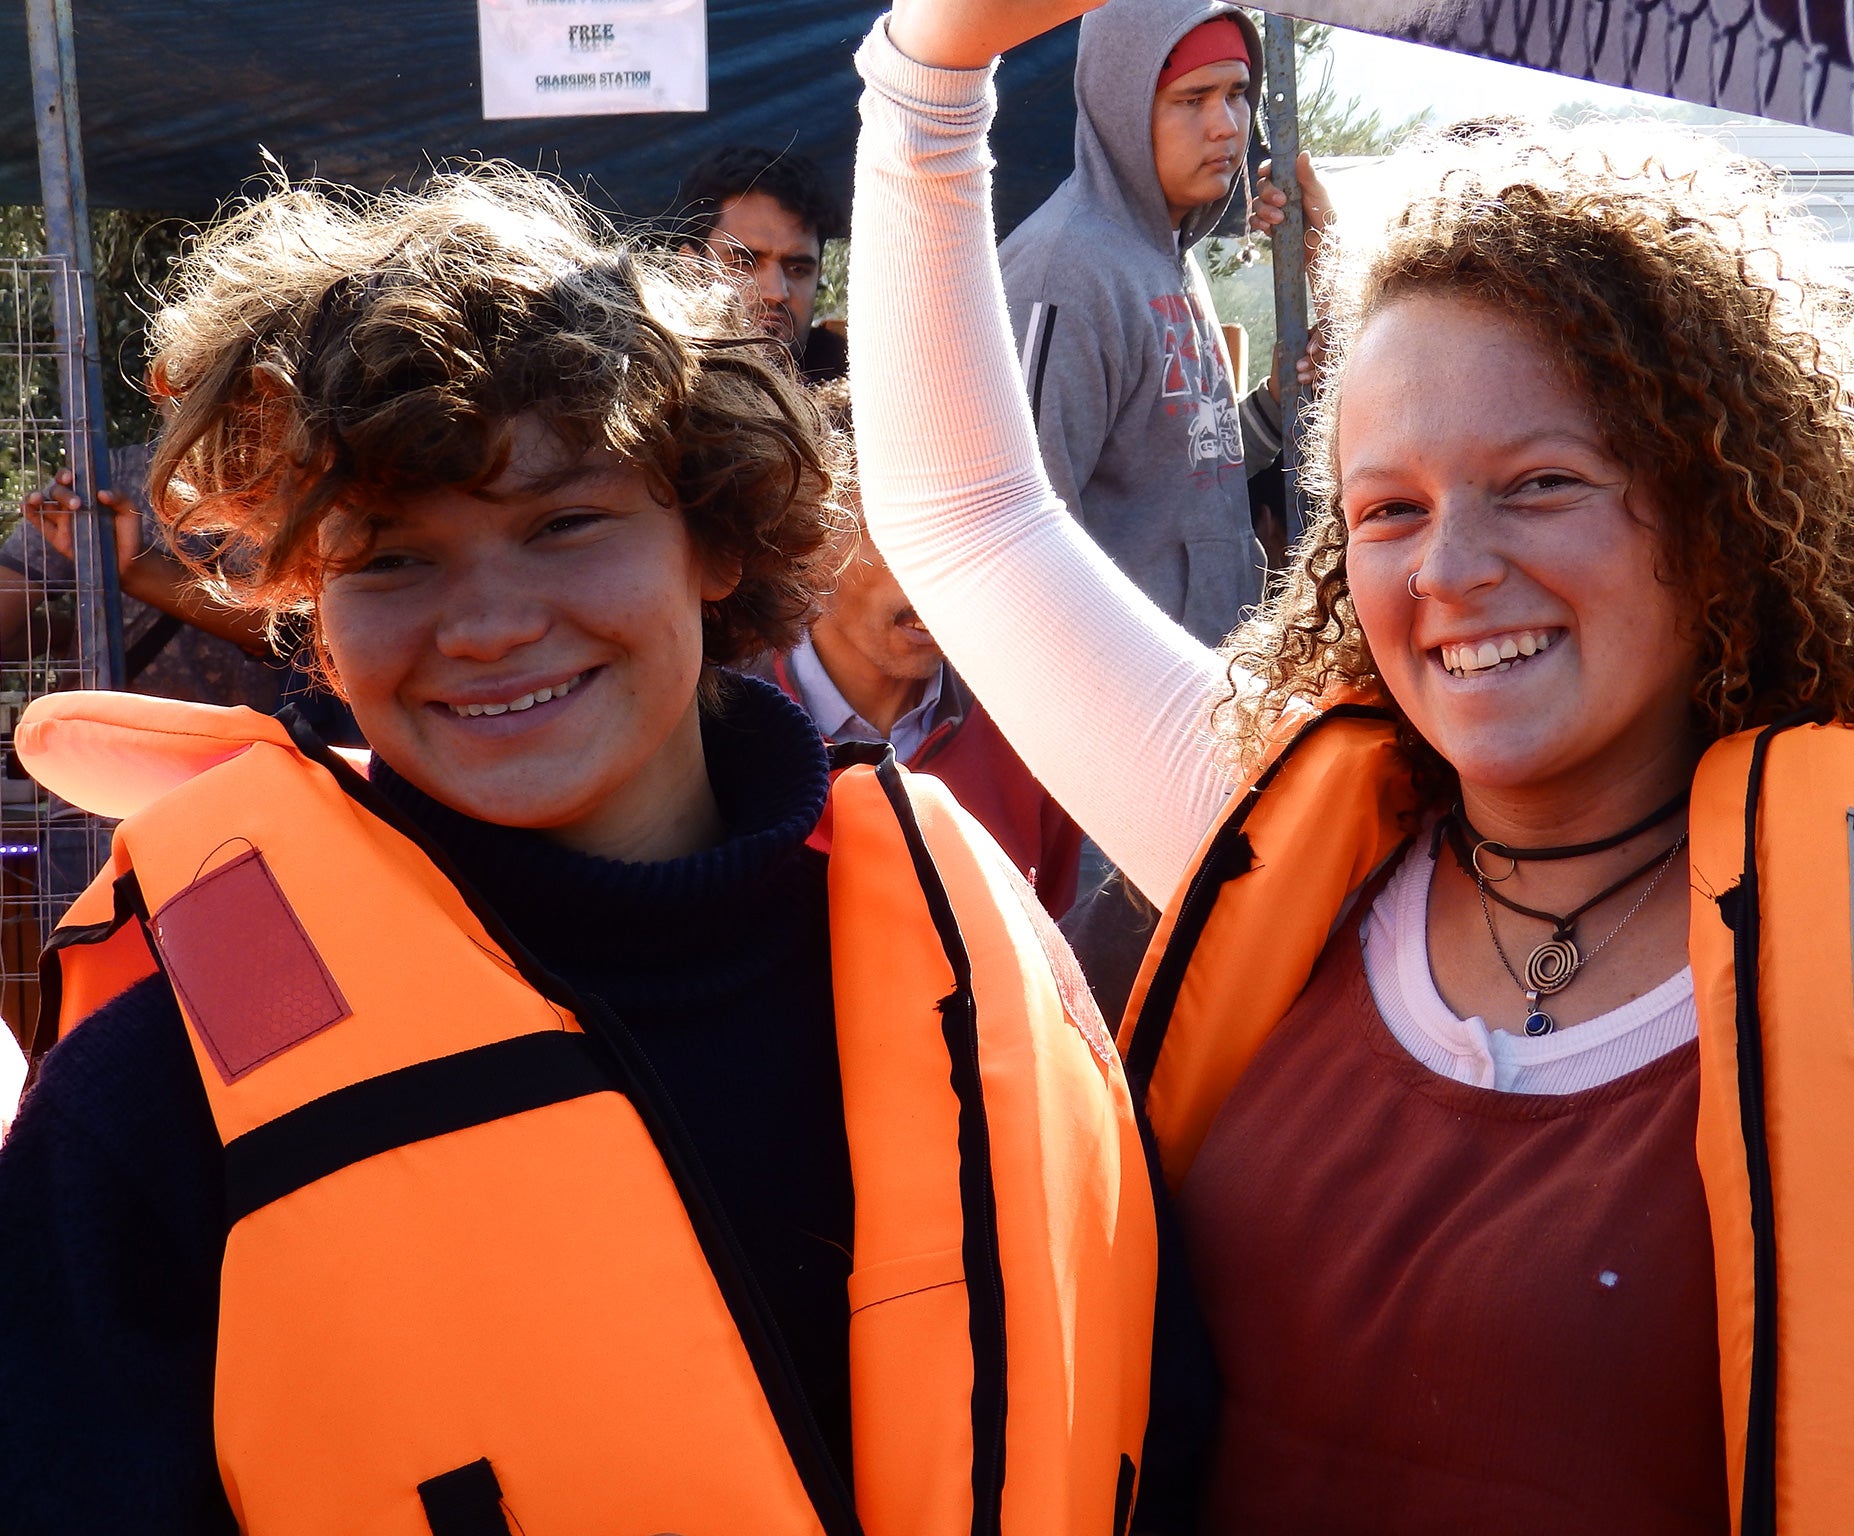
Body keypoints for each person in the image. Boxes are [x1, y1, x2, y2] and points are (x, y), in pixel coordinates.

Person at [851, 2, 1854, 1529]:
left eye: (1541, 483)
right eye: (1388, 509)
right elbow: (968, 511)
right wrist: (933, 64)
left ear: (1724, 515)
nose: (1453, 569)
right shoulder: (1277, 843)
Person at [0, 163, 1153, 1534]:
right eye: (391, 559)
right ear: (311, 602)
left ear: (713, 542)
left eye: (564, 524)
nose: (487, 624)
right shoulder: (155, 1102)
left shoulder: (985, 973)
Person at [997, 0, 1282, 650]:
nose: (1225, 126)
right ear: (1124, 108)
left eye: (1238, 93)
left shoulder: (1169, 258)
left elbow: (1179, 475)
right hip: (1118, 716)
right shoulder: (1063, 270)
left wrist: (1275, 403)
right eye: (1192, 98)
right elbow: (1021, 533)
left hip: (1206, 700)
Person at [756, 383, 1085, 916]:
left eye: (958, 534)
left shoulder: (1029, 735)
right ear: (807, 538)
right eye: (896, 534)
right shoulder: (719, 739)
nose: (938, 571)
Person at [5, 446, 283, 709]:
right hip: (108, 741)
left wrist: (131, 569)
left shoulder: (299, 478)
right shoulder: (104, 479)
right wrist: (66, 631)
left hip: (243, 744)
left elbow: (281, 627)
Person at [678, 144, 848, 384]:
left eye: (797, 270)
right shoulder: (647, 396)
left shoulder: (869, 393)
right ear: (690, 270)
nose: (777, 292)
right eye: (744, 263)